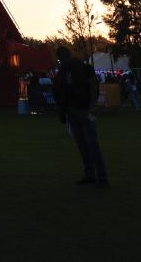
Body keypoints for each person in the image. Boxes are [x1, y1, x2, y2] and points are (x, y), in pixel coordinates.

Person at [54, 46, 108, 187]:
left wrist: (91, 105)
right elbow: (62, 90)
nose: (61, 60)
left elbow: (92, 85)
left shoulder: (81, 68)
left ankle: (101, 176)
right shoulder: (66, 70)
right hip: (74, 109)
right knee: (83, 144)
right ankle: (91, 174)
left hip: (82, 109)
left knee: (90, 144)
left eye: (61, 57)